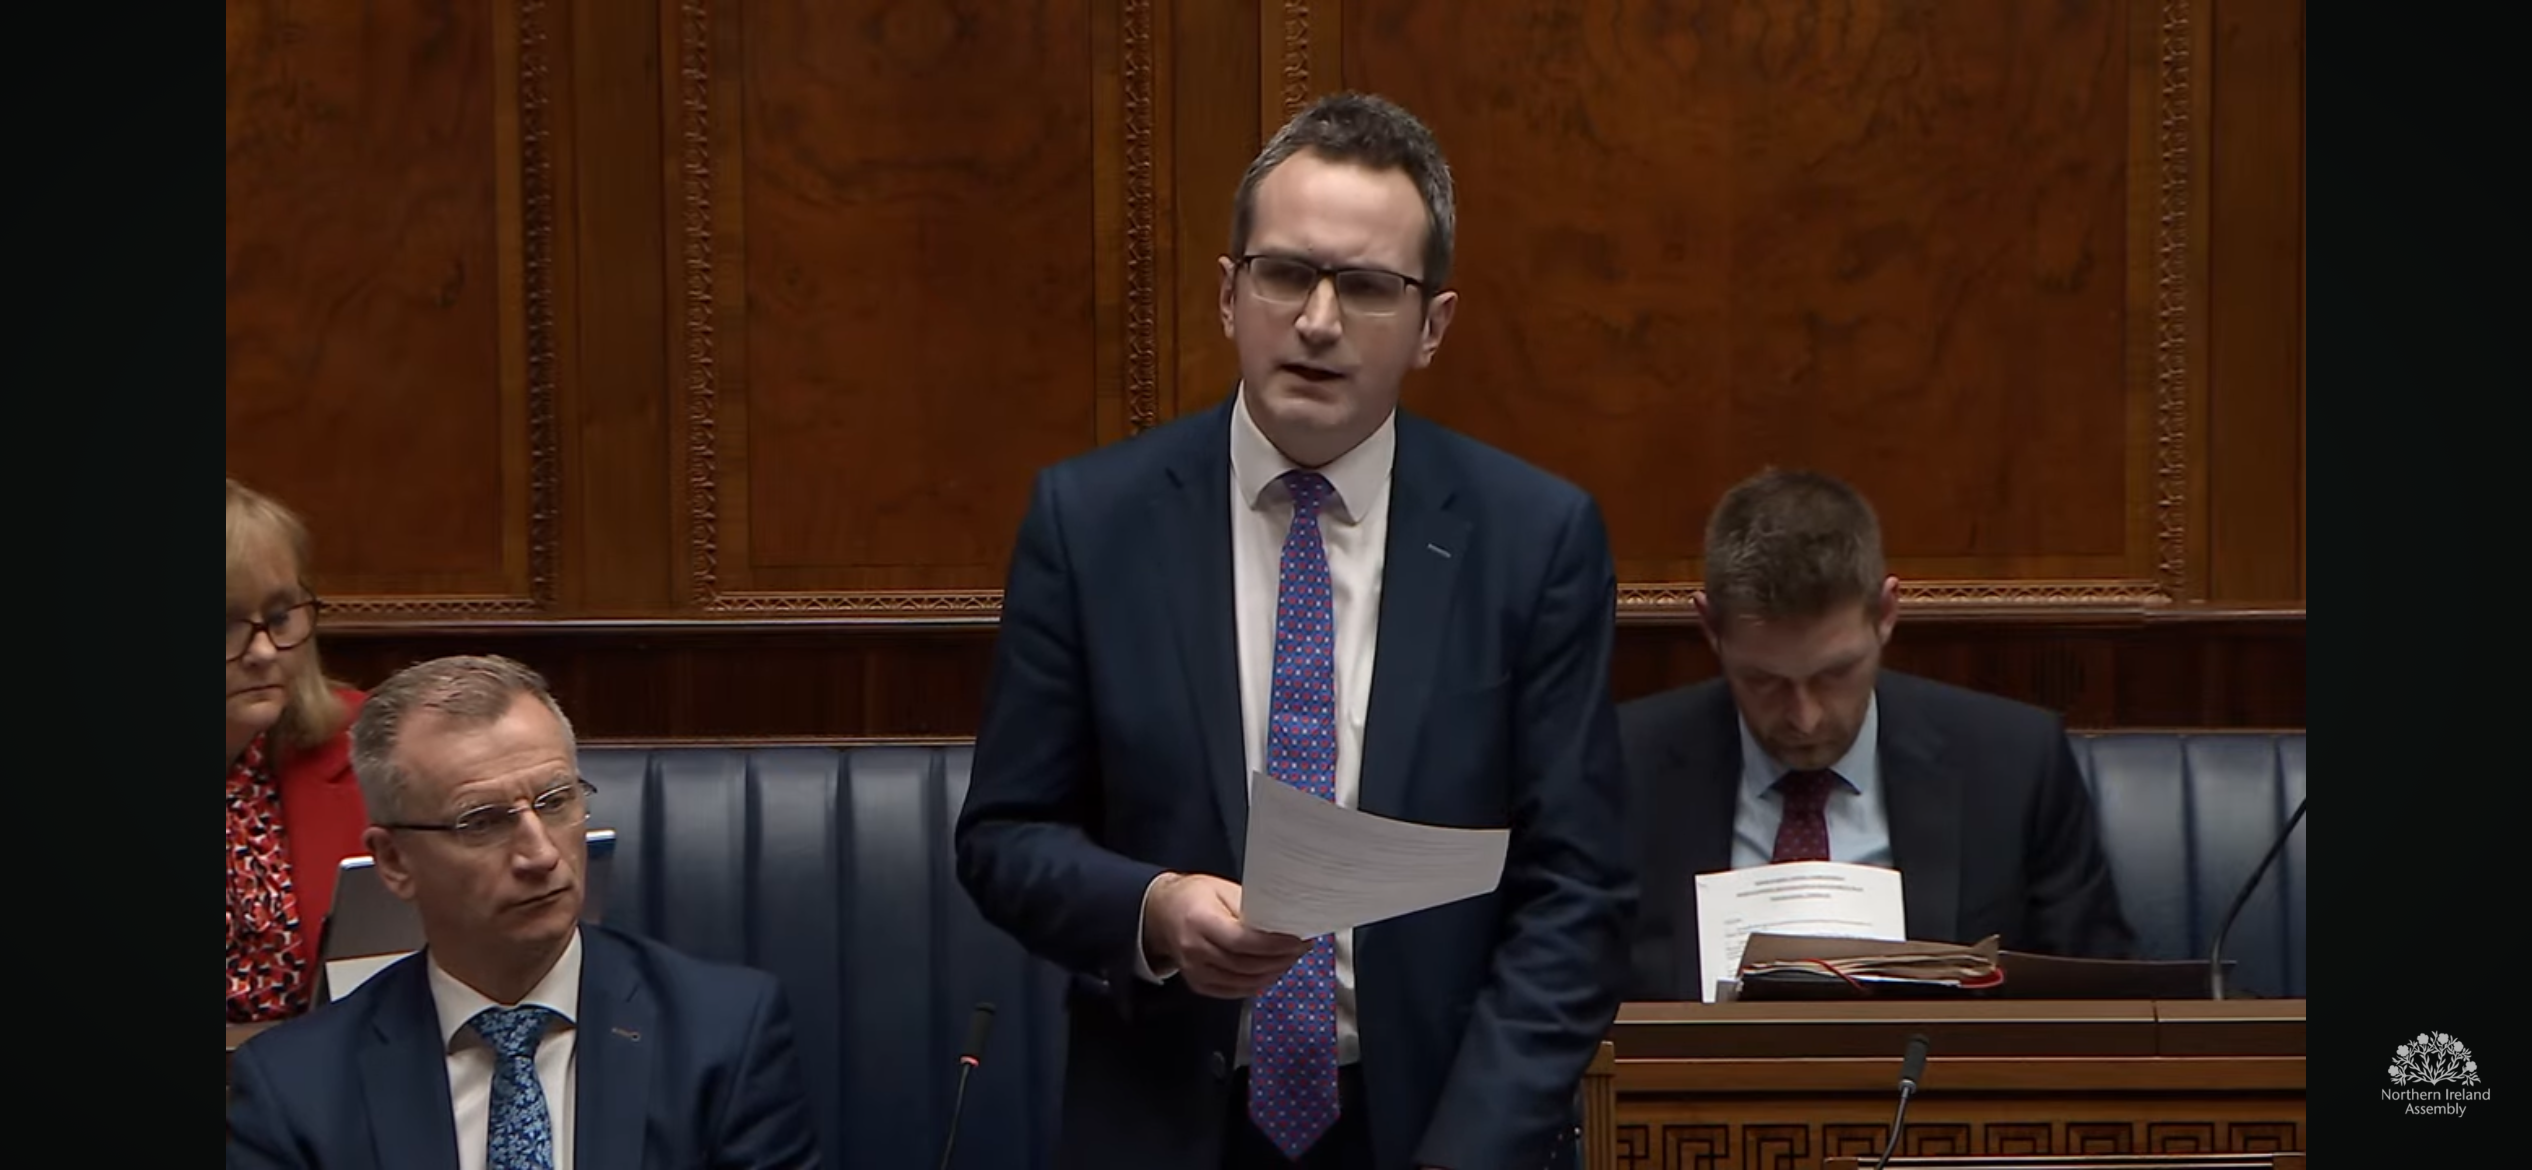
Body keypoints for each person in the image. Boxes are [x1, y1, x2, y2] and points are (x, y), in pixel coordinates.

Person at [953, 91, 1634, 1170]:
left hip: (1435, 1124)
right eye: (1285, 275)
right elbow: (1004, 838)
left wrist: (1471, 1151)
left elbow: (1578, 888)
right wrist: (1155, 907)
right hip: (1170, 1119)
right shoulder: (1092, 524)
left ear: (1433, 326)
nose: (1318, 320)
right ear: (1230, 297)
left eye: (1366, 287)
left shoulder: (1531, 539)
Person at [225, 655, 821, 1169]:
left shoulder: (723, 1036)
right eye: (481, 821)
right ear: (395, 861)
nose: (540, 853)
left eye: (556, 802)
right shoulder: (295, 1089)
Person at [1619, 468, 2135, 1001]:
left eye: (1834, 674)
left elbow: (2098, 1003)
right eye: (1764, 681)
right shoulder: (1621, 767)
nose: (1805, 719)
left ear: (1886, 614)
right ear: (1710, 628)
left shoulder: (2015, 764)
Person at [228, 476, 370, 1023]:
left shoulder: (370, 747)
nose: (264, 651)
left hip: (324, 1082)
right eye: (226, 623)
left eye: (281, 615)